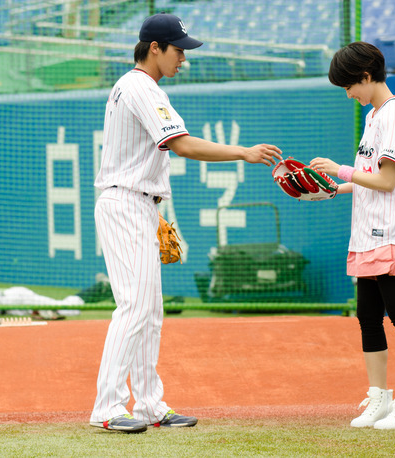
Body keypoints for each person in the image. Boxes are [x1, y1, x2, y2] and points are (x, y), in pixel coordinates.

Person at [89, 13, 282, 433]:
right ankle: (107, 406)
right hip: (125, 203)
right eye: (178, 50)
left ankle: (149, 406)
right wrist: (242, 153)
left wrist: (152, 212)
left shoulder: (139, 86)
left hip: (138, 203)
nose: (183, 58)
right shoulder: (140, 86)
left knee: (151, 312)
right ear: (154, 48)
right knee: (135, 307)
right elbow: (181, 144)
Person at [309, 41, 395, 429]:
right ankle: (380, 399)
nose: (348, 94)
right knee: (367, 317)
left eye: (349, 86)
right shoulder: (374, 117)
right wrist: (330, 187)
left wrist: (341, 170)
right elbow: (367, 181)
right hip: (367, 236)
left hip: (391, 233)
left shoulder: (394, 117)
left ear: (365, 76)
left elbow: (387, 180)